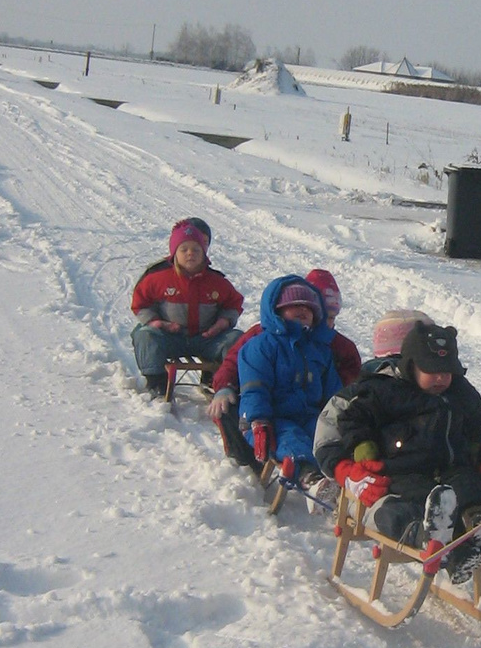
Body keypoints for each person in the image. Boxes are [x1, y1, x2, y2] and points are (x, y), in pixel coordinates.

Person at [313, 321, 481, 580]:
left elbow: (475, 424)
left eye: (447, 371)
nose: (442, 378)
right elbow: (354, 421)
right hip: (399, 474)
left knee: (471, 489)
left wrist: (479, 453)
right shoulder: (383, 390)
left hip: (451, 470)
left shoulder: (460, 393)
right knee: (403, 508)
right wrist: (362, 455)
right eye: (432, 371)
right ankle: (428, 538)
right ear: (411, 365)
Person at [208, 267, 360, 469]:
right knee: (240, 412)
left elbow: (352, 374)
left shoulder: (332, 344)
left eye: (333, 318)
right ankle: (249, 456)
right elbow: (234, 362)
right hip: (268, 406)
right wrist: (224, 386)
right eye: (327, 317)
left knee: (330, 434)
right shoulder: (264, 337)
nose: (329, 324)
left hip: (310, 408)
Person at [237, 276, 345, 509]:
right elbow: (254, 387)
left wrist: (342, 418)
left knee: (328, 437)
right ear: (276, 311)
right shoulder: (262, 345)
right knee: (290, 437)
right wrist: (258, 420)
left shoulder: (320, 350)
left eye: (308, 308)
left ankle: (343, 481)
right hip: (271, 419)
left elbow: (334, 393)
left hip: (309, 415)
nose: (302, 311)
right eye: (294, 306)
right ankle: (311, 479)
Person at [130, 218, 244, 394]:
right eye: (184, 249)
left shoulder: (216, 282)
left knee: (237, 338)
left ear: (204, 253)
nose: (190, 253)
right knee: (144, 335)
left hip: (206, 339)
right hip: (170, 337)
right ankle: (156, 381)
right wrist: (156, 323)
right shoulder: (158, 278)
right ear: (174, 253)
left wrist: (223, 322)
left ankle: (221, 378)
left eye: (196, 249)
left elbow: (233, 304)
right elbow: (140, 303)